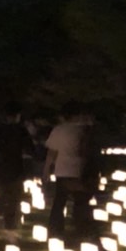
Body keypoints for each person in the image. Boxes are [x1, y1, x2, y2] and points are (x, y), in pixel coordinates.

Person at [44, 101, 94, 242]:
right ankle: (82, 231)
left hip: (62, 171)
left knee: (59, 203)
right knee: (80, 203)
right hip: (80, 171)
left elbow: (51, 153)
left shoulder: (59, 130)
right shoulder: (85, 130)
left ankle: (55, 232)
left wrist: (46, 171)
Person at [0, 103, 31, 242]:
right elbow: (29, 148)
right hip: (15, 169)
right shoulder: (21, 130)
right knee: (13, 200)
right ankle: (10, 229)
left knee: (0, 196)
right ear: (17, 116)